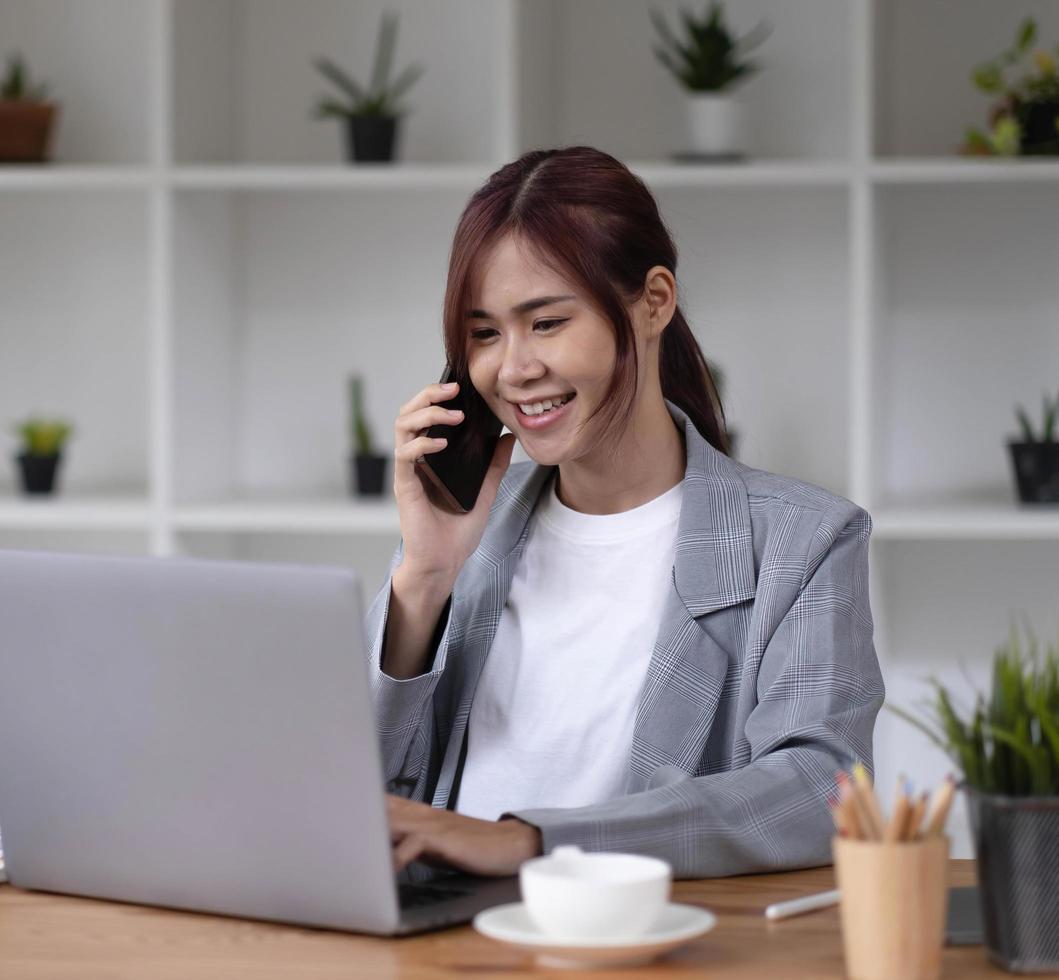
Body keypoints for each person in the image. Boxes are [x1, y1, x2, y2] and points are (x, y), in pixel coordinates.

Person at [371, 145, 884, 880]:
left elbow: (821, 791)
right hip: (442, 938)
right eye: (484, 334)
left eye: (544, 322)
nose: (512, 370)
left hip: (631, 939)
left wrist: (529, 840)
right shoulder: (462, 538)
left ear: (653, 301)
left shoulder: (802, 540)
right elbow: (352, 792)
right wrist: (423, 575)